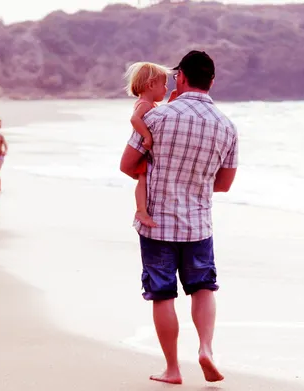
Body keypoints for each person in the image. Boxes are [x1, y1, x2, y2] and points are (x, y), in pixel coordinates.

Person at [119, 50, 239, 385]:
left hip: (156, 222)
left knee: (162, 295)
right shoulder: (227, 126)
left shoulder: (157, 117)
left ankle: (172, 369)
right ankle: (206, 349)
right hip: (198, 224)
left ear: (180, 77)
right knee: (203, 288)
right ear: (212, 81)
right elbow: (225, 184)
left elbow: (127, 165)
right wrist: (194, 182)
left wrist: (159, 176)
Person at [123, 62, 170, 228]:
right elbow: (134, 119)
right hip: (142, 151)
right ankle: (141, 210)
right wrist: (147, 135)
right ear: (151, 85)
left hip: (143, 152)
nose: (166, 89)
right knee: (142, 180)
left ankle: (142, 210)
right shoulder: (144, 104)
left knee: (143, 180)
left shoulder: (149, 104)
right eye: (164, 85)